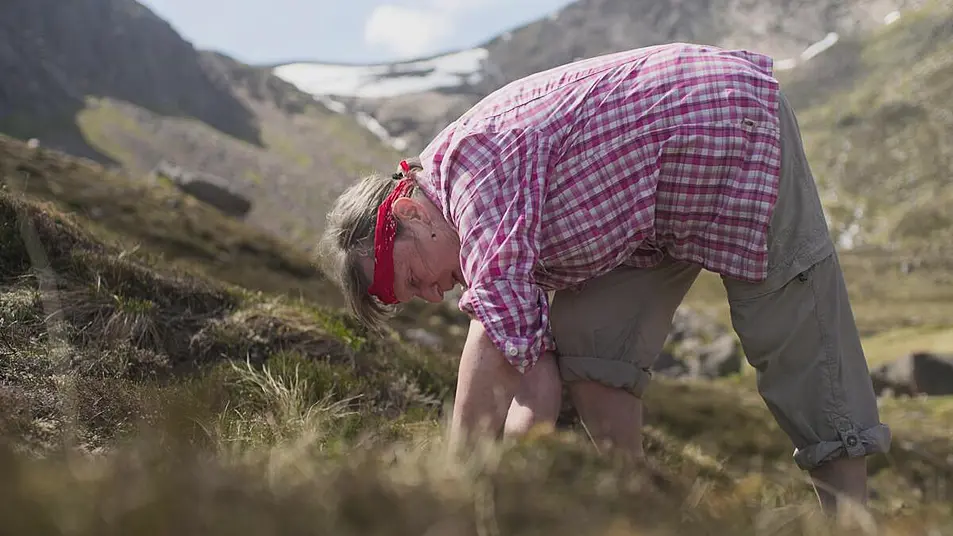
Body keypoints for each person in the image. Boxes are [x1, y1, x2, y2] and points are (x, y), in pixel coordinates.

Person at [316, 42, 891, 515]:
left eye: (411, 278)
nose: (432, 294)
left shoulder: (472, 177)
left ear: (410, 216)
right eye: (408, 297)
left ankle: (851, 521)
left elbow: (488, 357)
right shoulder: (471, 221)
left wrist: (454, 495)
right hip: (651, 212)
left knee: (796, 335)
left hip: (732, 125)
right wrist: (511, 480)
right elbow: (532, 385)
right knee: (589, 340)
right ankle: (638, 509)